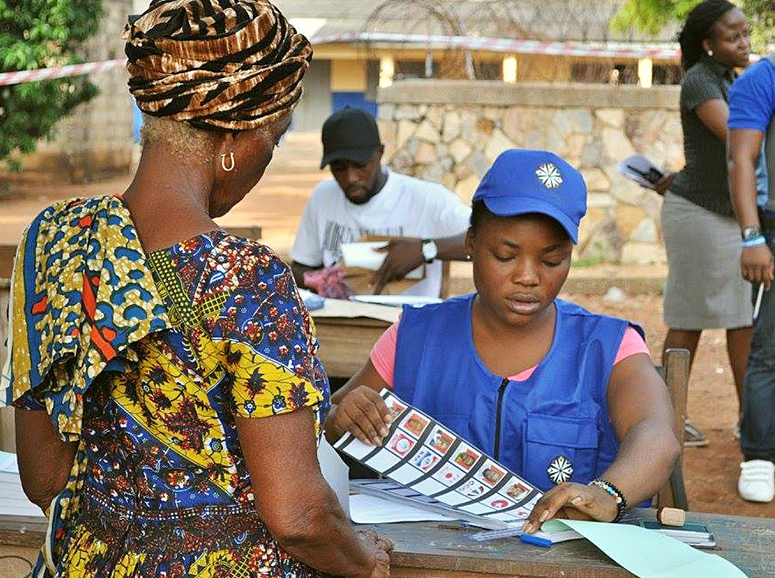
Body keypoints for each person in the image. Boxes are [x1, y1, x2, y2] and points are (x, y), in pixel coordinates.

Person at [0, 1, 392, 576]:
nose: (266, 159)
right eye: (274, 140)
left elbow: (43, 479)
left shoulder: (53, 244)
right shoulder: (247, 280)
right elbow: (299, 516)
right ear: (236, 134)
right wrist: (362, 561)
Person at [324, 149, 681, 532]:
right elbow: (331, 423)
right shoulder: (415, 337)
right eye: (505, 255)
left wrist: (608, 493)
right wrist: (342, 414)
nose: (528, 277)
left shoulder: (608, 346)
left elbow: (657, 434)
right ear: (471, 244)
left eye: (551, 260)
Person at [660, 0, 753, 447]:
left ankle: (752, 421)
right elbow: (737, 135)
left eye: (746, 33)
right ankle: (664, 417)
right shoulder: (700, 81)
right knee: (689, 318)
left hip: (729, 215)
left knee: (741, 320)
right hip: (697, 215)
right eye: (733, 36)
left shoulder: (730, 79)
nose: (744, 42)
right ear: (707, 44)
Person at [290, 107, 471, 297]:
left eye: (360, 165)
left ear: (380, 153)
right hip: (340, 322)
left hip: (407, 322)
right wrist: (321, 279)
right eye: (339, 167)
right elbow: (301, 268)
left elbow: (484, 240)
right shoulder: (323, 197)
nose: (351, 177)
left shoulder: (426, 199)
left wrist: (426, 249)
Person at [727, 52, 775, 503]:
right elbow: (741, 159)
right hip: (773, 227)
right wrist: (751, 236)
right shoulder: (764, 78)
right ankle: (760, 455)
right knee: (769, 350)